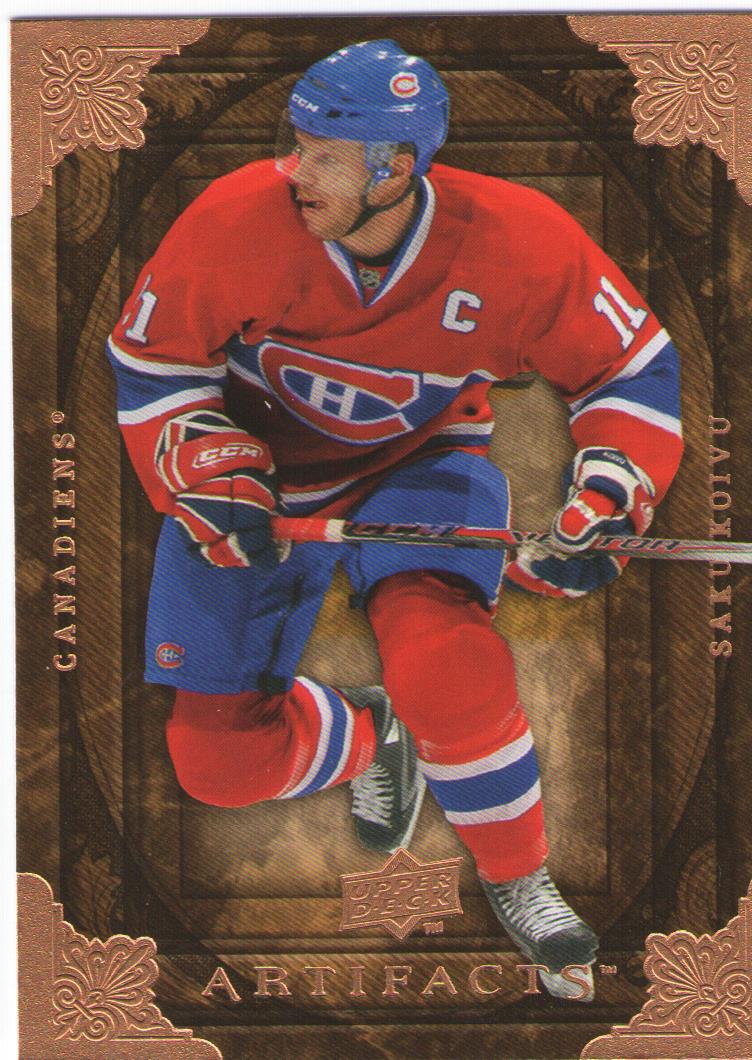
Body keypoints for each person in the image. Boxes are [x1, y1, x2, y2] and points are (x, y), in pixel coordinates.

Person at [107, 39, 683, 1000]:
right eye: (295, 145)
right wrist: (205, 468)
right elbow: (153, 365)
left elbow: (631, 368)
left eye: (325, 157)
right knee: (218, 765)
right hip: (258, 478)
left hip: (419, 461)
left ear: (396, 167)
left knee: (445, 663)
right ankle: (370, 735)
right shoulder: (233, 220)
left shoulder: (519, 239)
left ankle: (520, 877)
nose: (295, 171)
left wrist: (614, 489)